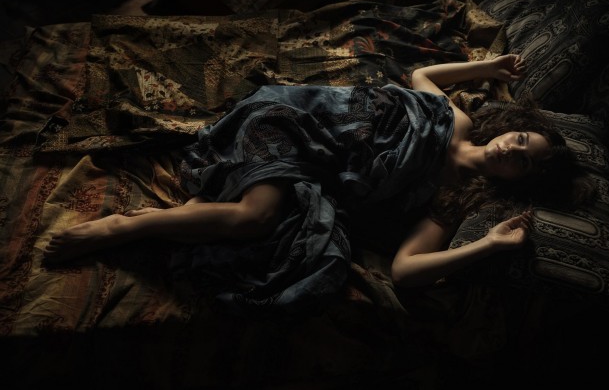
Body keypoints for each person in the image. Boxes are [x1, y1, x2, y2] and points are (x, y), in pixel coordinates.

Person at [42, 54, 579, 310]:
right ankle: (123, 228)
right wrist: (486, 66)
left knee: (271, 228)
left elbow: (405, 271)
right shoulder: (456, 118)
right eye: (521, 138)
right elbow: (422, 77)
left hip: (313, 161)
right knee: (258, 218)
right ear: (513, 127)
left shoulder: (454, 196)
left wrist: (489, 244)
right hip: (301, 117)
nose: (511, 148)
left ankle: (170, 218)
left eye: (522, 160)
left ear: (519, 183)